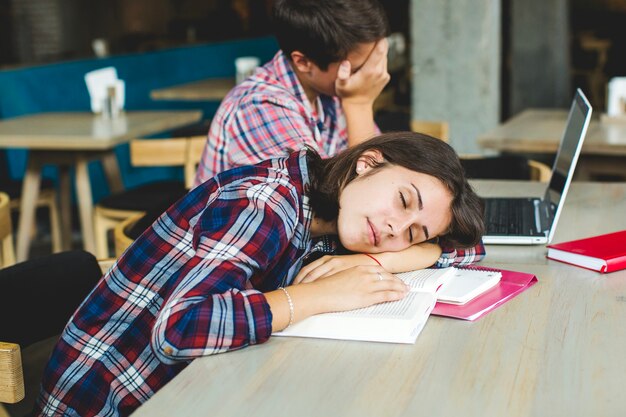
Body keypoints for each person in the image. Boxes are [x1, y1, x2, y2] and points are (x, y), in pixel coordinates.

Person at [35, 132, 485, 416]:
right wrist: (322, 295)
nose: (394, 229)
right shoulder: (264, 203)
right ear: (367, 162)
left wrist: (377, 261)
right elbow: (178, 328)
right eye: (403, 202)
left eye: (414, 232)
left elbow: (468, 249)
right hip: (114, 400)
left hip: (194, 385)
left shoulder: (331, 211)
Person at [193, 0, 390, 185]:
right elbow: (330, 207)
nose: (370, 75)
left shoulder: (333, 92)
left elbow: (386, 168)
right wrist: (360, 104)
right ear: (303, 62)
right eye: (357, 69)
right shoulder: (260, 107)